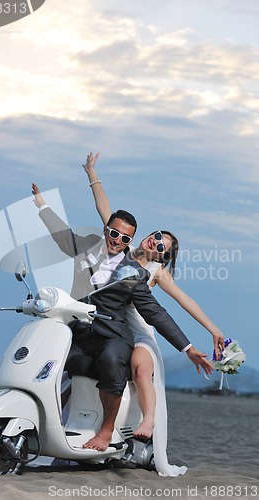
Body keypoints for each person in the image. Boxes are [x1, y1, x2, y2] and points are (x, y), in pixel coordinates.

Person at [31, 180, 213, 459]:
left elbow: (156, 312)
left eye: (124, 238)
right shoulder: (93, 244)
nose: (118, 240)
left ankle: (107, 430)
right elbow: (64, 234)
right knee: (49, 358)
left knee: (113, 359)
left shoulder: (141, 273)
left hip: (116, 331)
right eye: (113, 233)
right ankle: (45, 421)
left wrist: (189, 348)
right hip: (78, 325)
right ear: (107, 230)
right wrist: (43, 205)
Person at [81, 152, 225, 475]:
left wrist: (213, 330)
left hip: (141, 329)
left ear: (163, 256)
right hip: (110, 325)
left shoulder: (158, 271)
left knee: (141, 369)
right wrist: (92, 173)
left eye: (164, 246)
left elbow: (185, 302)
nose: (157, 243)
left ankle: (147, 419)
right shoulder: (123, 246)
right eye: (159, 236)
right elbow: (105, 211)